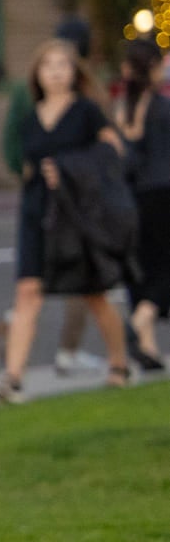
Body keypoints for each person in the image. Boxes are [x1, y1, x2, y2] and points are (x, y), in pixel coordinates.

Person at [0, 38, 129, 403]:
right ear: (37, 74)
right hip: (37, 210)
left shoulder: (87, 112)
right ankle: (13, 378)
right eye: (47, 65)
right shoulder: (30, 118)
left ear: (74, 72)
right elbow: (23, 160)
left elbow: (112, 152)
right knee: (27, 291)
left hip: (75, 212)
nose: (55, 72)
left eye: (62, 65)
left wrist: (70, 169)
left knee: (93, 293)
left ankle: (119, 362)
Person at [115, 38, 170, 368]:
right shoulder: (163, 107)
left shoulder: (123, 109)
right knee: (166, 267)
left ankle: (148, 349)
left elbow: (124, 158)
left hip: (132, 196)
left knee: (142, 268)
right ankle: (143, 319)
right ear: (151, 67)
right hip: (164, 192)